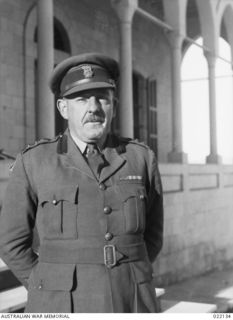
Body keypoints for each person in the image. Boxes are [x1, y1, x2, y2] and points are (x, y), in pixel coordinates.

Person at [0, 53, 163, 313]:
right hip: (61, 305)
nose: (94, 108)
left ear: (114, 105)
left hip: (130, 301)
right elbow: (10, 244)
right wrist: (46, 286)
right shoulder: (35, 162)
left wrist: (130, 273)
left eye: (102, 98)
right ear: (63, 108)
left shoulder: (141, 158)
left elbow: (152, 237)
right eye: (81, 99)